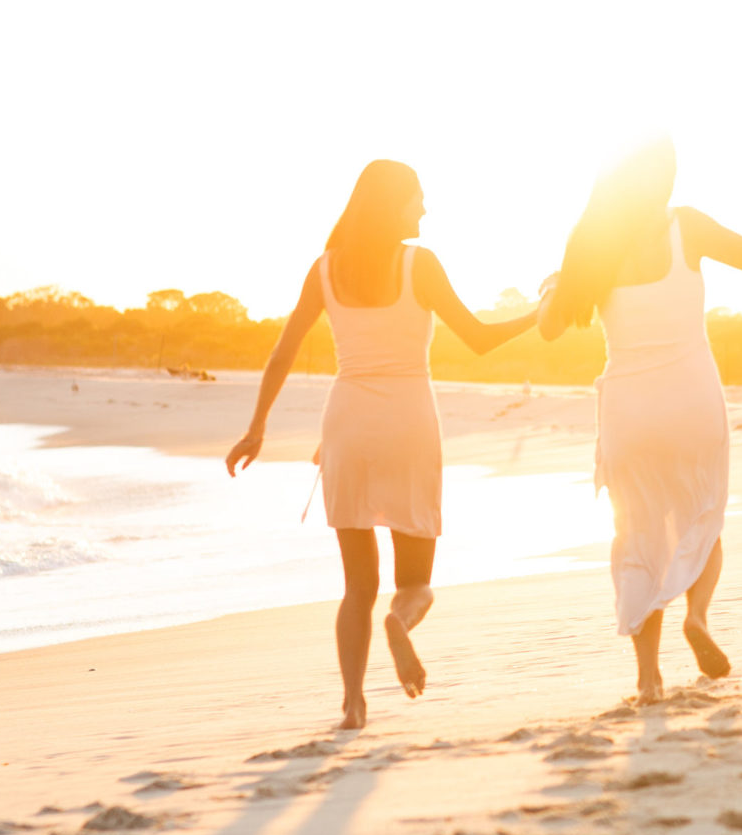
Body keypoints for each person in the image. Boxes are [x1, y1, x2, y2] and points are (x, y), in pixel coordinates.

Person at [226, 160, 539, 730]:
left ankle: (352, 703)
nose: (424, 209)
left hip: (347, 425)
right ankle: (402, 621)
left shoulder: (324, 270)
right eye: (417, 199)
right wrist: (541, 312)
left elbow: (282, 352)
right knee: (414, 583)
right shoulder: (419, 264)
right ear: (393, 205)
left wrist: (256, 427)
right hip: (409, 422)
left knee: (356, 585)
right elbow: (479, 340)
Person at [538, 142, 742, 704]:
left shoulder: (592, 244)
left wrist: (553, 289)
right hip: (691, 396)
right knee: (703, 513)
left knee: (638, 532)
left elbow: (551, 328)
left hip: (630, 407)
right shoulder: (686, 227)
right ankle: (696, 616)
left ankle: (648, 676)